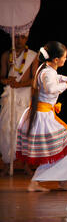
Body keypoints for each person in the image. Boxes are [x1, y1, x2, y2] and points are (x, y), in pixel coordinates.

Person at [15, 41, 67, 191]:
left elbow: (60, 77)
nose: (66, 59)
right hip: (43, 118)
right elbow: (51, 88)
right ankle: (38, 181)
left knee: (65, 147)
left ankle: (61, 180)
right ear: (56, 60)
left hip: (44, 115)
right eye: (64, 57)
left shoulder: (45, 68)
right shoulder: (46, 72)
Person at [0, 31, 38, 176]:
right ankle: (7, 163)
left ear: (27, 38)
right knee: (5, 128)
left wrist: (21, 84)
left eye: (22, 37)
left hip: (24, 96)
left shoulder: (33, 56)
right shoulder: (6, 56)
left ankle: (26, 165)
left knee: (23, 130)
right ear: (12, 37)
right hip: (9, 95)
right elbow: (2, 76)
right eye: (16, 37)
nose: (19, 40)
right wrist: (7, 81)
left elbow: (35, 80)